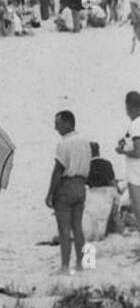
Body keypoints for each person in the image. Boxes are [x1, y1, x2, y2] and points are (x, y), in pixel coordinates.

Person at [47, 110, 90, 274]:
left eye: (58, 124)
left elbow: (58, 170)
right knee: (78, 227)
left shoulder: (64, 143)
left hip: (67, 185)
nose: (55, 128)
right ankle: (81, 264)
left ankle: (65, 266)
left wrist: (50, 194)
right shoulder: (85, 142)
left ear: (67, 123)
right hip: (81, 185)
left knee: (64, 228)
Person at [115, 91, 140, 243]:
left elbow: (138, 152)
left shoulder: (135, 124)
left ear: (129, 106)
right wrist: (124, 142)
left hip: (136, 176)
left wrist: (122, 151)